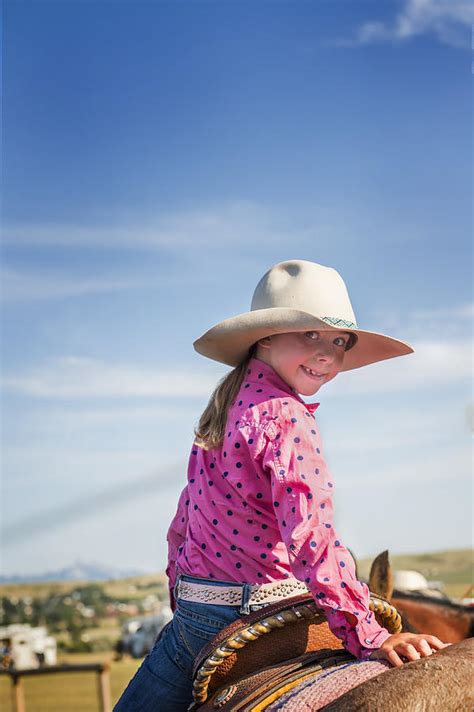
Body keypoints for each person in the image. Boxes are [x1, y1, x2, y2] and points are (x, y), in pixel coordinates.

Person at [115, 259, 448, 711]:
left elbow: (183, 520)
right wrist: (367, 634)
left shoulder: (230, 405)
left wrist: (183, 596)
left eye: (339, 341)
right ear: (266, 336)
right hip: (261, 609)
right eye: (310, 334)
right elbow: (312, 536)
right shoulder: (286, 416)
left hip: (197, 616)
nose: (327, 353)